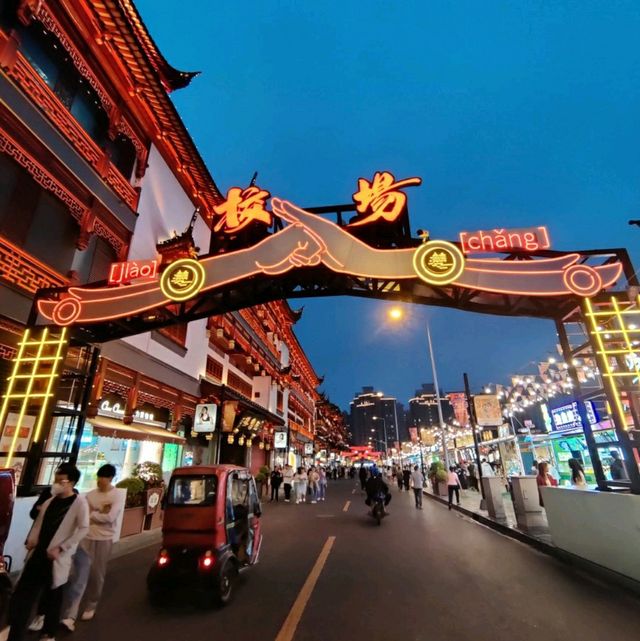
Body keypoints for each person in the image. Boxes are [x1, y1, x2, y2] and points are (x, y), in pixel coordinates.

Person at [8, 463, 88, 641]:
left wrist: (62, 547)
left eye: (62, 480)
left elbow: (83, 528)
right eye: (56, 479)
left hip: (56, 558)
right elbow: (38, 522)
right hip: (38, 554)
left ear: (71, 482)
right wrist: (32, 540)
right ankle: (15, 632)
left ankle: (49, 633)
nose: (57, 483)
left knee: (53, 597)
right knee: (24, 594)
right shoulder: (50, 500)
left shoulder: (79, 502)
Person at [59, 464, 124, 631]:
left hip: (104, 539)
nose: (100, 481)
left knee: (97, 573)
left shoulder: (116, 495)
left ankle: (91, 604)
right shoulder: (90, 495)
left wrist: (94, 514)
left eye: (103, 478)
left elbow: (110, 517)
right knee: (80, 574)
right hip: (86, 537)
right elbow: (84, 516)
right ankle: (70, 614)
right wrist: (97, 513)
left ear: (110, 478)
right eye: (98, 477)